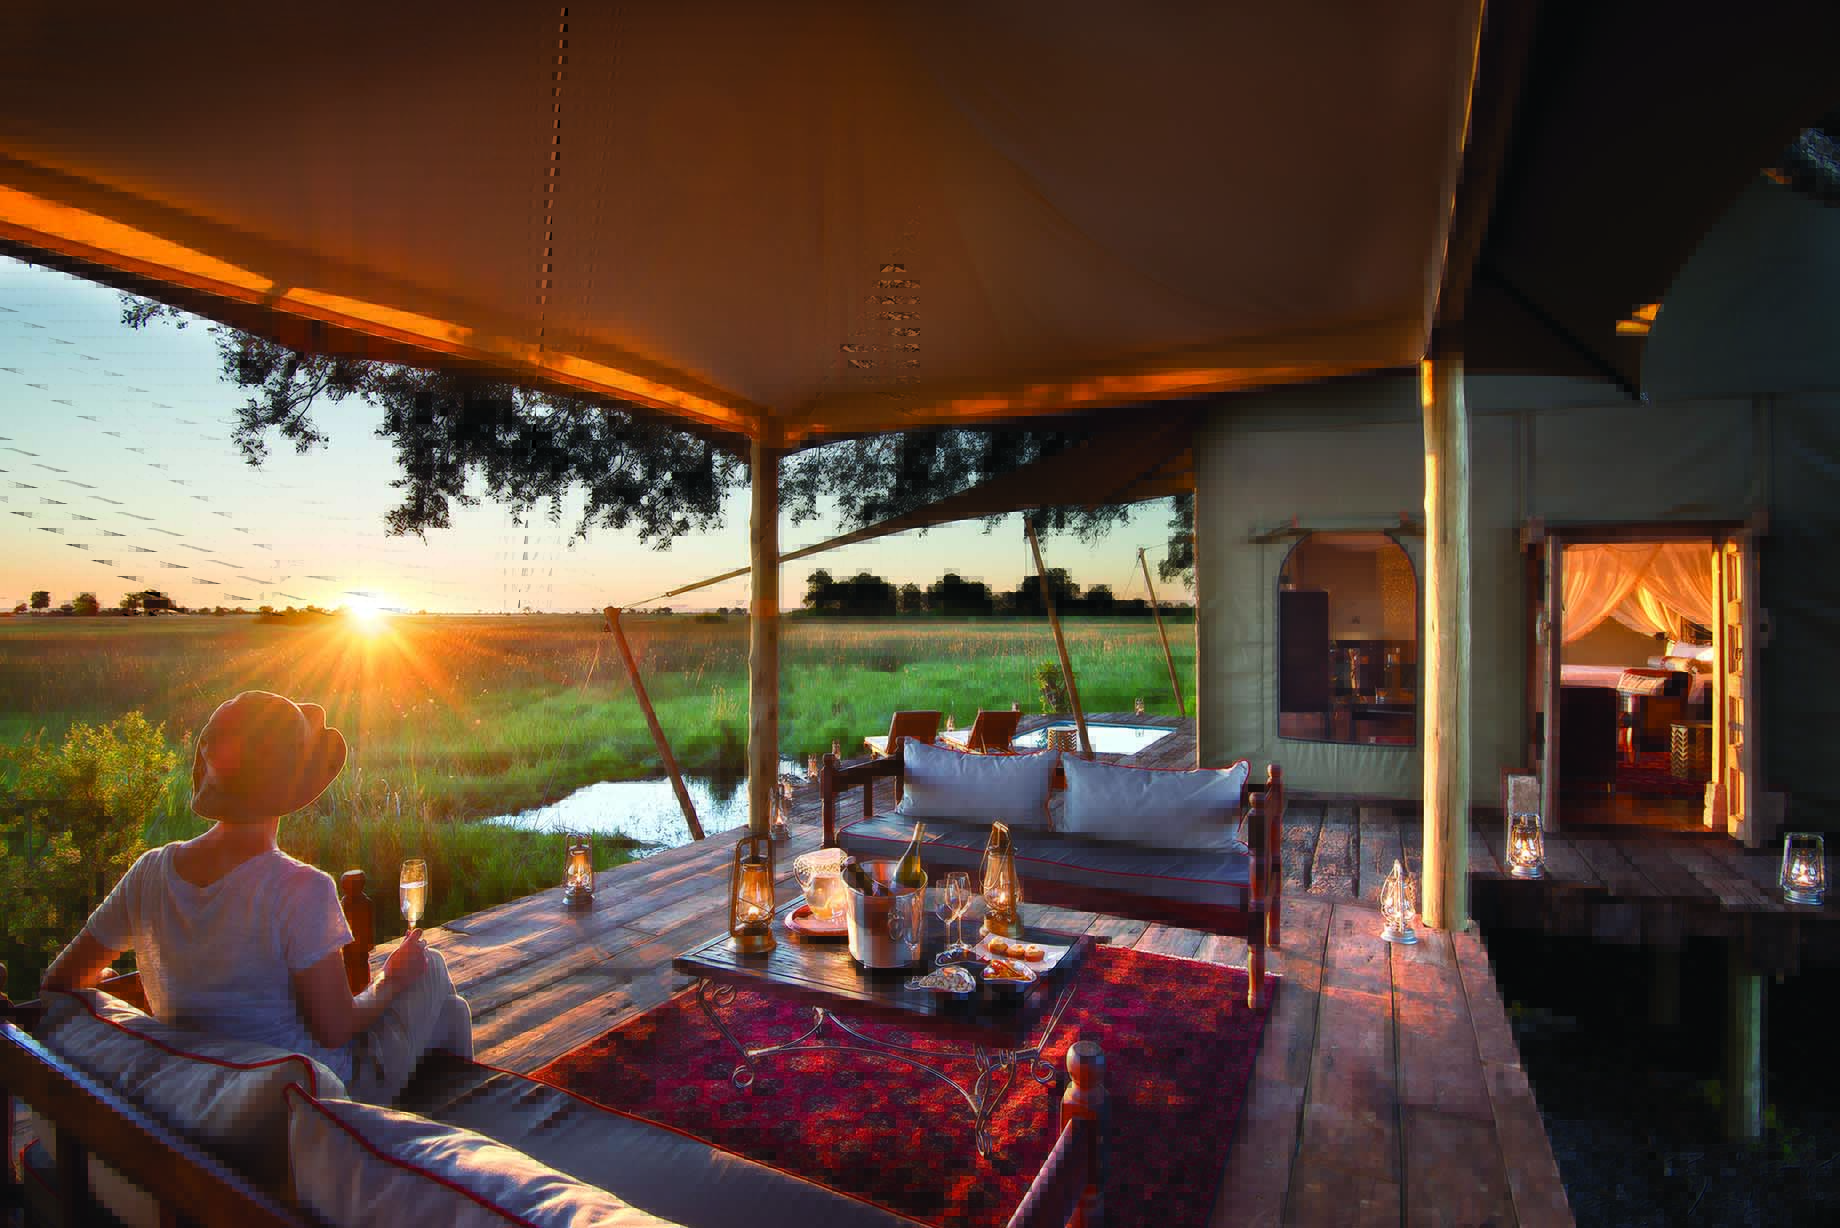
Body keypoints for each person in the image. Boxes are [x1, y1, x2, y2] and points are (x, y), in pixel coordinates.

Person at [41, 690, 473, 1103]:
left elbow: (59, 982)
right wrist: (391, 978)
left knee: (448, 1011)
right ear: (292, 785)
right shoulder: (301, 887)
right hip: (317, 1096)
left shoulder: (149, 873)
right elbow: (337, 1029)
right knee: (429, 969)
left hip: (211, 1092)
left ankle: (459, 1098)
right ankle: (461, 1112)